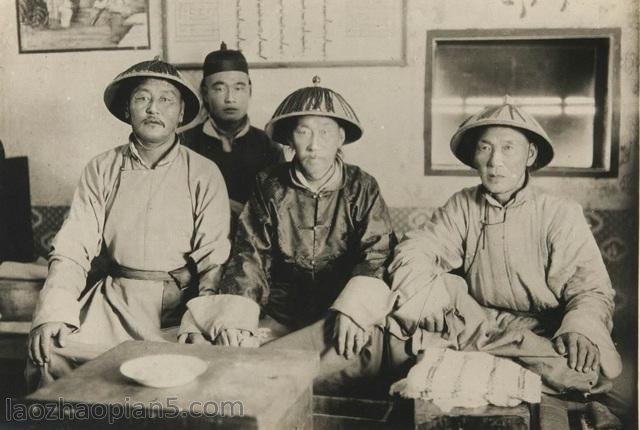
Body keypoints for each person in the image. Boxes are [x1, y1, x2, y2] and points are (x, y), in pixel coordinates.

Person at [250, 100, 625, 402]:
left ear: (529, 156)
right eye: (485, 148)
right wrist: (424, 301)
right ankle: (260, 371)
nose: (495, 161)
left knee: (585, 372)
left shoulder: (559, 213)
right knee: (383, 325)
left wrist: (581, 331)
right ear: (474, 156)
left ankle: (492, 352)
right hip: (468, 319)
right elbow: (417, 249)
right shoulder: (463, 205)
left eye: (508, 148)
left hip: (537, 330)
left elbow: (589, 289)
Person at [26, 58, 230, 390]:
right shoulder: (101, 168)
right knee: (50, 351)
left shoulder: (204, 173)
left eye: (166, 99)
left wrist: (200, 320)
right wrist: (52, 312)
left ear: (181, 113)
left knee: (191, 377)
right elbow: (73, 248)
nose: (153, 108)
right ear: (127, 110)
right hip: (113, 301)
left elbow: (214, 259)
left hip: (175, 308)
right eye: (142, 98)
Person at [178, 77, 396, 364]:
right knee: (236, 355)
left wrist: (355, 308)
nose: (314, 144)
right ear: (290, 138)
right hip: (279, 312)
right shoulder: (270, 184)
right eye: (304, 132)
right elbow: (251, 254)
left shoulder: (361, 186)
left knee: (359, 355)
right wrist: (238, 315)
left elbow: (377, 252)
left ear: (341, 138)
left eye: (325, 132)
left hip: (338, 310)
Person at [182, 42, 284, 217]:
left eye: (238, 88)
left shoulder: (269, 146)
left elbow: (279, 208)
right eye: (219, 89)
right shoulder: (184, 143)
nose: (230, 98)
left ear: (249, 91)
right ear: (205, 93)